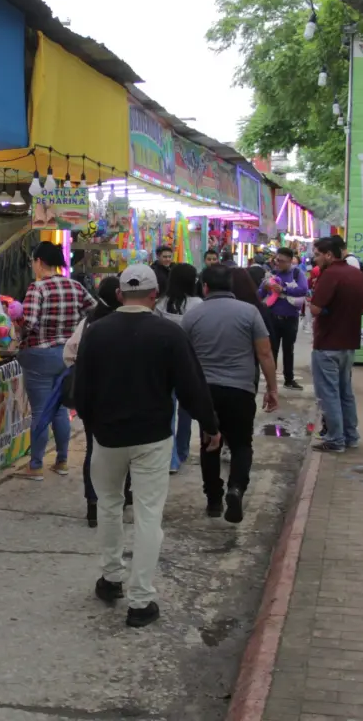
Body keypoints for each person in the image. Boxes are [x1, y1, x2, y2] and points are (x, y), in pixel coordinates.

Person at [73, 264, 220, 628]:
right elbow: (191, 386)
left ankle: (111, 578)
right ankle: (141, 600)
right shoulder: (168, 333)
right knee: (148, 514)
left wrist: (93, 425)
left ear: (121, 295)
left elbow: (81, 389)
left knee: (108, 505)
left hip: (107, 436)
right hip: (153, 437)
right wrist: (211, 425)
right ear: (156, 295)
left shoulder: (97, 331)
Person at [183, 264, 279, 523]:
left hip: (206, 392)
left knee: (209, 443)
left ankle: (213, 500)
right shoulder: (250, 313)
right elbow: (265, 353)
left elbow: (184, 357)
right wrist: (272, 388)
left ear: (205, 287)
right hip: (241, 389)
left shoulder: (193, 315)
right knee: (241, 444)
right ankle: (236, 488)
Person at [17, 241, 95, 480]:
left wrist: (13, 327)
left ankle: (37, 465)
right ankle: (61, 461)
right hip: (66, 356)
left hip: (39, 356)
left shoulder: (37, 288)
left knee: (40, 410)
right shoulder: (76, 286)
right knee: (60, 408)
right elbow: (94, 310)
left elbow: (28, 322)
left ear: (39, 262)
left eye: (33, 262)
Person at [63, 277, 131, 527]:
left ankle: (93, 505)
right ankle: (118, 501)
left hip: (93, 396)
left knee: (94, 450)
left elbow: (69, 353)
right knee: (125, 451)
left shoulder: (91, 320)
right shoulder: (132, 322)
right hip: (125, 396)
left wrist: (83, 373)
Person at [308, 236, 363, 453]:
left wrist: (317, 305)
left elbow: (315, 308)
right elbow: (362, 308)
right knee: (345, 392)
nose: (315, 259)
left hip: (328, 343)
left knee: (329, 394)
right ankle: (350, 435)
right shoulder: (357, 274)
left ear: (328, 254)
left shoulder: (330, 274)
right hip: (349, 342)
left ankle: (335, 439)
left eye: (317, 255)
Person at [154, 263, 203, 473]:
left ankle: (171, 458)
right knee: (187, 411)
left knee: (168, 412)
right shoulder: (198, 304)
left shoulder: (160, 304)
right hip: (190, 363)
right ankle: (182, 451)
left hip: (164, 365)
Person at [260, 247, 308, 391]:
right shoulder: (271, 274)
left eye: (282, 261)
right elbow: (260, 293)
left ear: (290, 261)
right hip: (273, 317)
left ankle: (289, 379)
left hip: (290, 318)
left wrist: (284, 289)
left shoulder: (297, 273)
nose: (278, 263)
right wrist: (266, 287)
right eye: (277, 260)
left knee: (289, 349)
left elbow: (303, 289)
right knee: (271, 350)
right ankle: (271, 380)